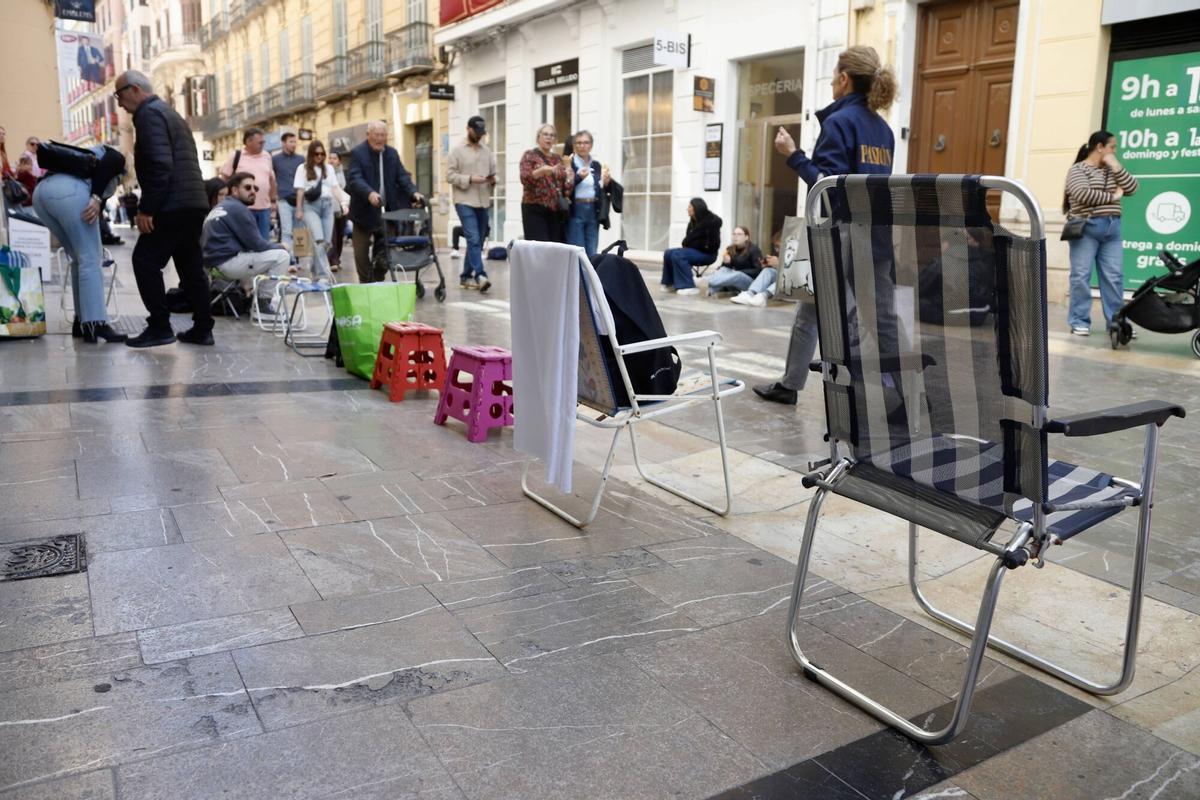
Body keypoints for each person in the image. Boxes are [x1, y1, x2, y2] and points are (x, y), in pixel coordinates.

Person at [754, 45, 897, 405]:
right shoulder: (883, 130)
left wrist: (793, 155)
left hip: (839, 234)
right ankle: (898, 390)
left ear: (844, 79)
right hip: (876, 233)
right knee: (877, 316)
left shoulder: (839, 123)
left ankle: (828, 391)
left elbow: (828, 186)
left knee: (831, 314)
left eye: (834, 75)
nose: (832, 81)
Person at [114, 70, 213, 347]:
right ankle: (203, 328)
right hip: (192, 201)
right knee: (190, 266)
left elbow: (160, 165)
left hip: (172, 203)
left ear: (134, 89)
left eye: (119, 95)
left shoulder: (148, 114)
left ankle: (160, 327)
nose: (119, 103)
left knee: (144, 261)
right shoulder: (170, 113)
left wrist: (147, 209)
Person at [31, 143, 127, 343]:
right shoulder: (116, 156)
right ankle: (95, 322)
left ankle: (81, 321)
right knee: (90, 259)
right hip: (69, 193)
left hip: (41, 194)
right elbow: (113, 162)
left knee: (78, 258)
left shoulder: (87, 154)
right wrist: (96, 198)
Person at [1063, 130, 1138, 336]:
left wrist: (1117, 166)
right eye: (1112, 147)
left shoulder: (1112, 170)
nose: (1115, 151)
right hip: (1086, 227)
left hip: (1113, 228)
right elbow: (1082, 194)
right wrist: (1113, 197)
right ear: (1099, 147)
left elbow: (1132, 188)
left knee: (1114, 276)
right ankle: (1079, 321)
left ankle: (1117, 322)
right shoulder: (1078, 169)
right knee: (1081, 275)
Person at [344, 120, 425, 284]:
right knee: (360, 253)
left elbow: (402, 176)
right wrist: (369, 193)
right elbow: (355, 178)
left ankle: (377, 281)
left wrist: (413, 192)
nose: (380, 139)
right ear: (368, 135)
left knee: (385, 253)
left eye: (383, 135)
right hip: (363, 212)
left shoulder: (392, 154)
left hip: (386, 212)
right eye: (377, 135)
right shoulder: (358, 153)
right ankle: (366, 284)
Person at [202, 171, 290, 283]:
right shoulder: (237, 208)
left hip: (213, 264)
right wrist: (281, 246)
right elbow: (258, 245)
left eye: (255, 188)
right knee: (282, 256)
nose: (253, 191)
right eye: (248, 188)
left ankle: (251, 291)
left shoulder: (224, 206)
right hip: (226, 263)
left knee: (256, 258)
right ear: (235, 190)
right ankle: (267, 294)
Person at [446, 115, 497, 291]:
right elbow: (449, 176)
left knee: (478, 240)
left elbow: (494, 173)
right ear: (468, 129)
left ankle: (465, 276)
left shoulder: (487, 151)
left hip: (483, 201)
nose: (479, 136)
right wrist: (470, 178)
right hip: (464, 200)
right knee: (473, 238)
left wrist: (493, 180)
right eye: (477, 132)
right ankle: (480, 275)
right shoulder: (457, 150)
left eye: (482, 133)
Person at [218, 127, 276, 239]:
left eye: (263, 142)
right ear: (249, 142)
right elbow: (224, 179)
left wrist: (273, 201)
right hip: (243, 209)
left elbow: (272, 180)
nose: (263, 144)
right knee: (245, 241)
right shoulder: (236, 156)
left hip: (264, 209)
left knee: (264, 242)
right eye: (260, 142)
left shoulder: (267, 156)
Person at [292, 139, 336, 280]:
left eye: (322, 154)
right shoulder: (302, 168)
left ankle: (314, 268)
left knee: (327, 243)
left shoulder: (329, 168)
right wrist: (299, 209)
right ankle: (323, 276)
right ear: (311, 154)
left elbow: (335, 188)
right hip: (311, 206)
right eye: (316, 154)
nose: (319, 157)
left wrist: (343, 203)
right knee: (319, 241)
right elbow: (300, 190)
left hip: (328, 206)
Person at [518, 123, 570, 242]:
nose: (549, 138)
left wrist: (570, 173)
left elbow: (566, 187)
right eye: (545, 134)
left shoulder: (558, 159)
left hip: (555, 210)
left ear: (555, 140)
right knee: (539, 246)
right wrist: (540, 171)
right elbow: (524, 178)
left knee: (554, 247)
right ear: (538, 137)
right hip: (534, 208)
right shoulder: (529, 155)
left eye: (552, 135)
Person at [565, 130, 611, 259]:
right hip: (575, 209)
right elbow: (564, 188)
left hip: (593, 209)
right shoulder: (570, 164)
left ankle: (591, 273)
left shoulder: (596, 165)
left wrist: (606, 183)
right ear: (574, 145)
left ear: (591, 145)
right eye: (579, 143)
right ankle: (578, 274)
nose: (582, 146)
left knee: (592, 250)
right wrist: (579, 177)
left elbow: (600, 188)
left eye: (586, 142)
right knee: (577, 251)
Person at [661, 198, 722, 295]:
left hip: (708, 254)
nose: (687, 209)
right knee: (668, 253)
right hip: (693, 251)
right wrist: (691, 244)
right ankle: (670, 283)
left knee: (678, 254)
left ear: (697, 208)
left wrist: (693, 244)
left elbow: (714, 245)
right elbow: (687, 241)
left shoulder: (711, 222)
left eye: (690, 206)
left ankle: (688, 285)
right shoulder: (693, 222)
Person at [706, 226, 764, 296]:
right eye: (734, 234)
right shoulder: (730, 248)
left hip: (749, 283)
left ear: (746, 237)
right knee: (723, 269)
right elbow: (726, 269)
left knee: (737, 275)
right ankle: (710, 291)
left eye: (739, 234)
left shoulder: (754, 249)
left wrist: (739, 271)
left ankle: (707, 281)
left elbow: (758, 271)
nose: (735, 236)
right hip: (733, 281)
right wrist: (726, 263)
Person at [272, 132, 305, 257]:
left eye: (295, 142)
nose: (294, 144)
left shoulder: (301, 159)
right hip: (284, 200)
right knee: (286, 231)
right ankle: (288, 260)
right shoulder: (275, 159)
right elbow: (271, 179)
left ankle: (300, 259)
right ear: (283, 143)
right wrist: (273, 199)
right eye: (291, 142)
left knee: (299, 232)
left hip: (300, 200)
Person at [732, 230, 782, 307]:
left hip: (794, 286)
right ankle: (750, 294)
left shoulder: (753, 249)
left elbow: (796, 274)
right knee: (768, 270)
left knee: (786, 277)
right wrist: (771, 265)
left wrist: (779, 264)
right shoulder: (731, 249)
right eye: (775, 246)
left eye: (778, 246)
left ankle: (763, 296)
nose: (776, 250)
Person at [327, 150, 348, 272]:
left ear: (339, 161)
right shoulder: (325, 172)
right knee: (332, 235)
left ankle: (337, 258)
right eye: (330, 158)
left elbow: (345, 189)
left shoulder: (343, 173)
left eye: (334, 158)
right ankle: (332, 260)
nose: (331, 160)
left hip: (341, 207)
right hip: (329, 207)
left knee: (340, 235)